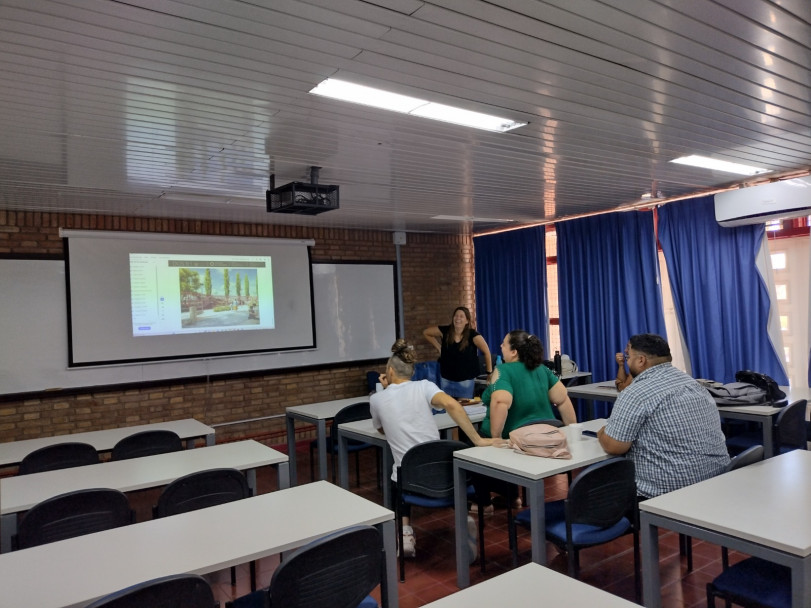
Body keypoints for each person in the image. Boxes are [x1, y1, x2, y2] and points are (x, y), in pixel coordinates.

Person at [370, 339, 502, 559]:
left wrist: (386, 391)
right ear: (411, 371)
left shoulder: (377, 399)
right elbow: (451, 404)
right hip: (444, 475)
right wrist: (477, 439)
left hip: (412, 480)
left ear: (390, 371)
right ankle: (463, 520)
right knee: (444, 472)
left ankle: (404, 534)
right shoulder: (424, 386)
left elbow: (383, 430)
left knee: (397, 471)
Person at [597, 333, 730, 499]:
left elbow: (614, 447)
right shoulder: (691, 383)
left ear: (641, 360)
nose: (627, 361)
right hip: (714, 479)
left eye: (628, 356)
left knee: (599, 484)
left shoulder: (636, 392)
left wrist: (602, 432)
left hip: (668, 488)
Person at [481, 330, 577, 439]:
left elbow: (500, 401)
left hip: (516, 437)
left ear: (514, 352)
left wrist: (496, 439)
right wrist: (572, 433)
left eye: (504, 344)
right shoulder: (542, 369)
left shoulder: (503, 370)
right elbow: (563, 399)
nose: (501, 346)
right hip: (548, 432)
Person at [423, 307, 492, 399]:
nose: (458, 318)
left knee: (463, 410)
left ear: (467, 321)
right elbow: (426, 333)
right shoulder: (445, 331)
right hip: (446, 380)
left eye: (461, 316)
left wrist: (489, 373)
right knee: (447, 410)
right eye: (456, 315)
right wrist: (439, 347)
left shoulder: (473, 335)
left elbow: (487, 352)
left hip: (465, 382)